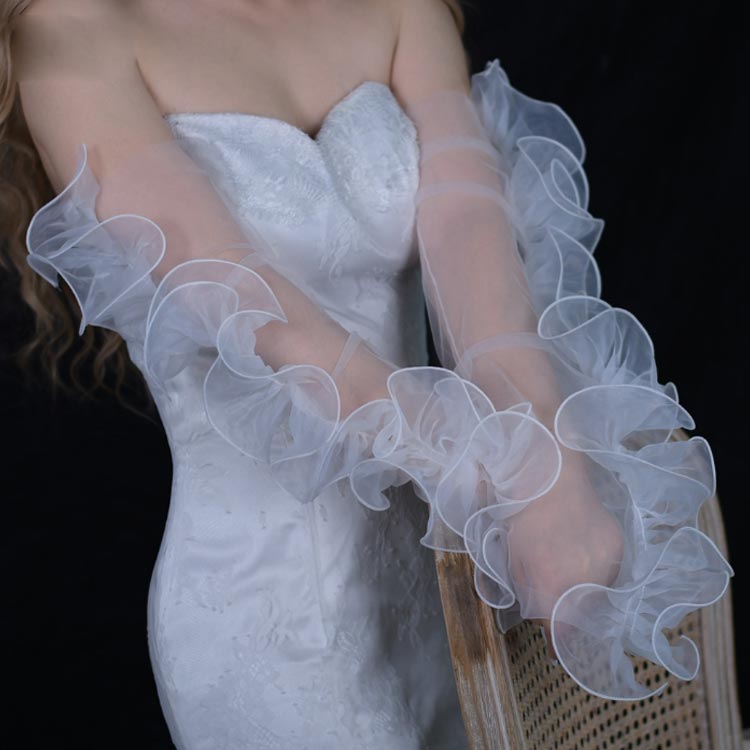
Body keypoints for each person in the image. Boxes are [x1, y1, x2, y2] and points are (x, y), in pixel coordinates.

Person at [3, 0, 733, 747]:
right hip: (272, 608)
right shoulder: (71, 32)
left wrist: (549, 464)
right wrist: (483, 471)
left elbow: (470, 226)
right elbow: (245, 302)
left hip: (458, 582)